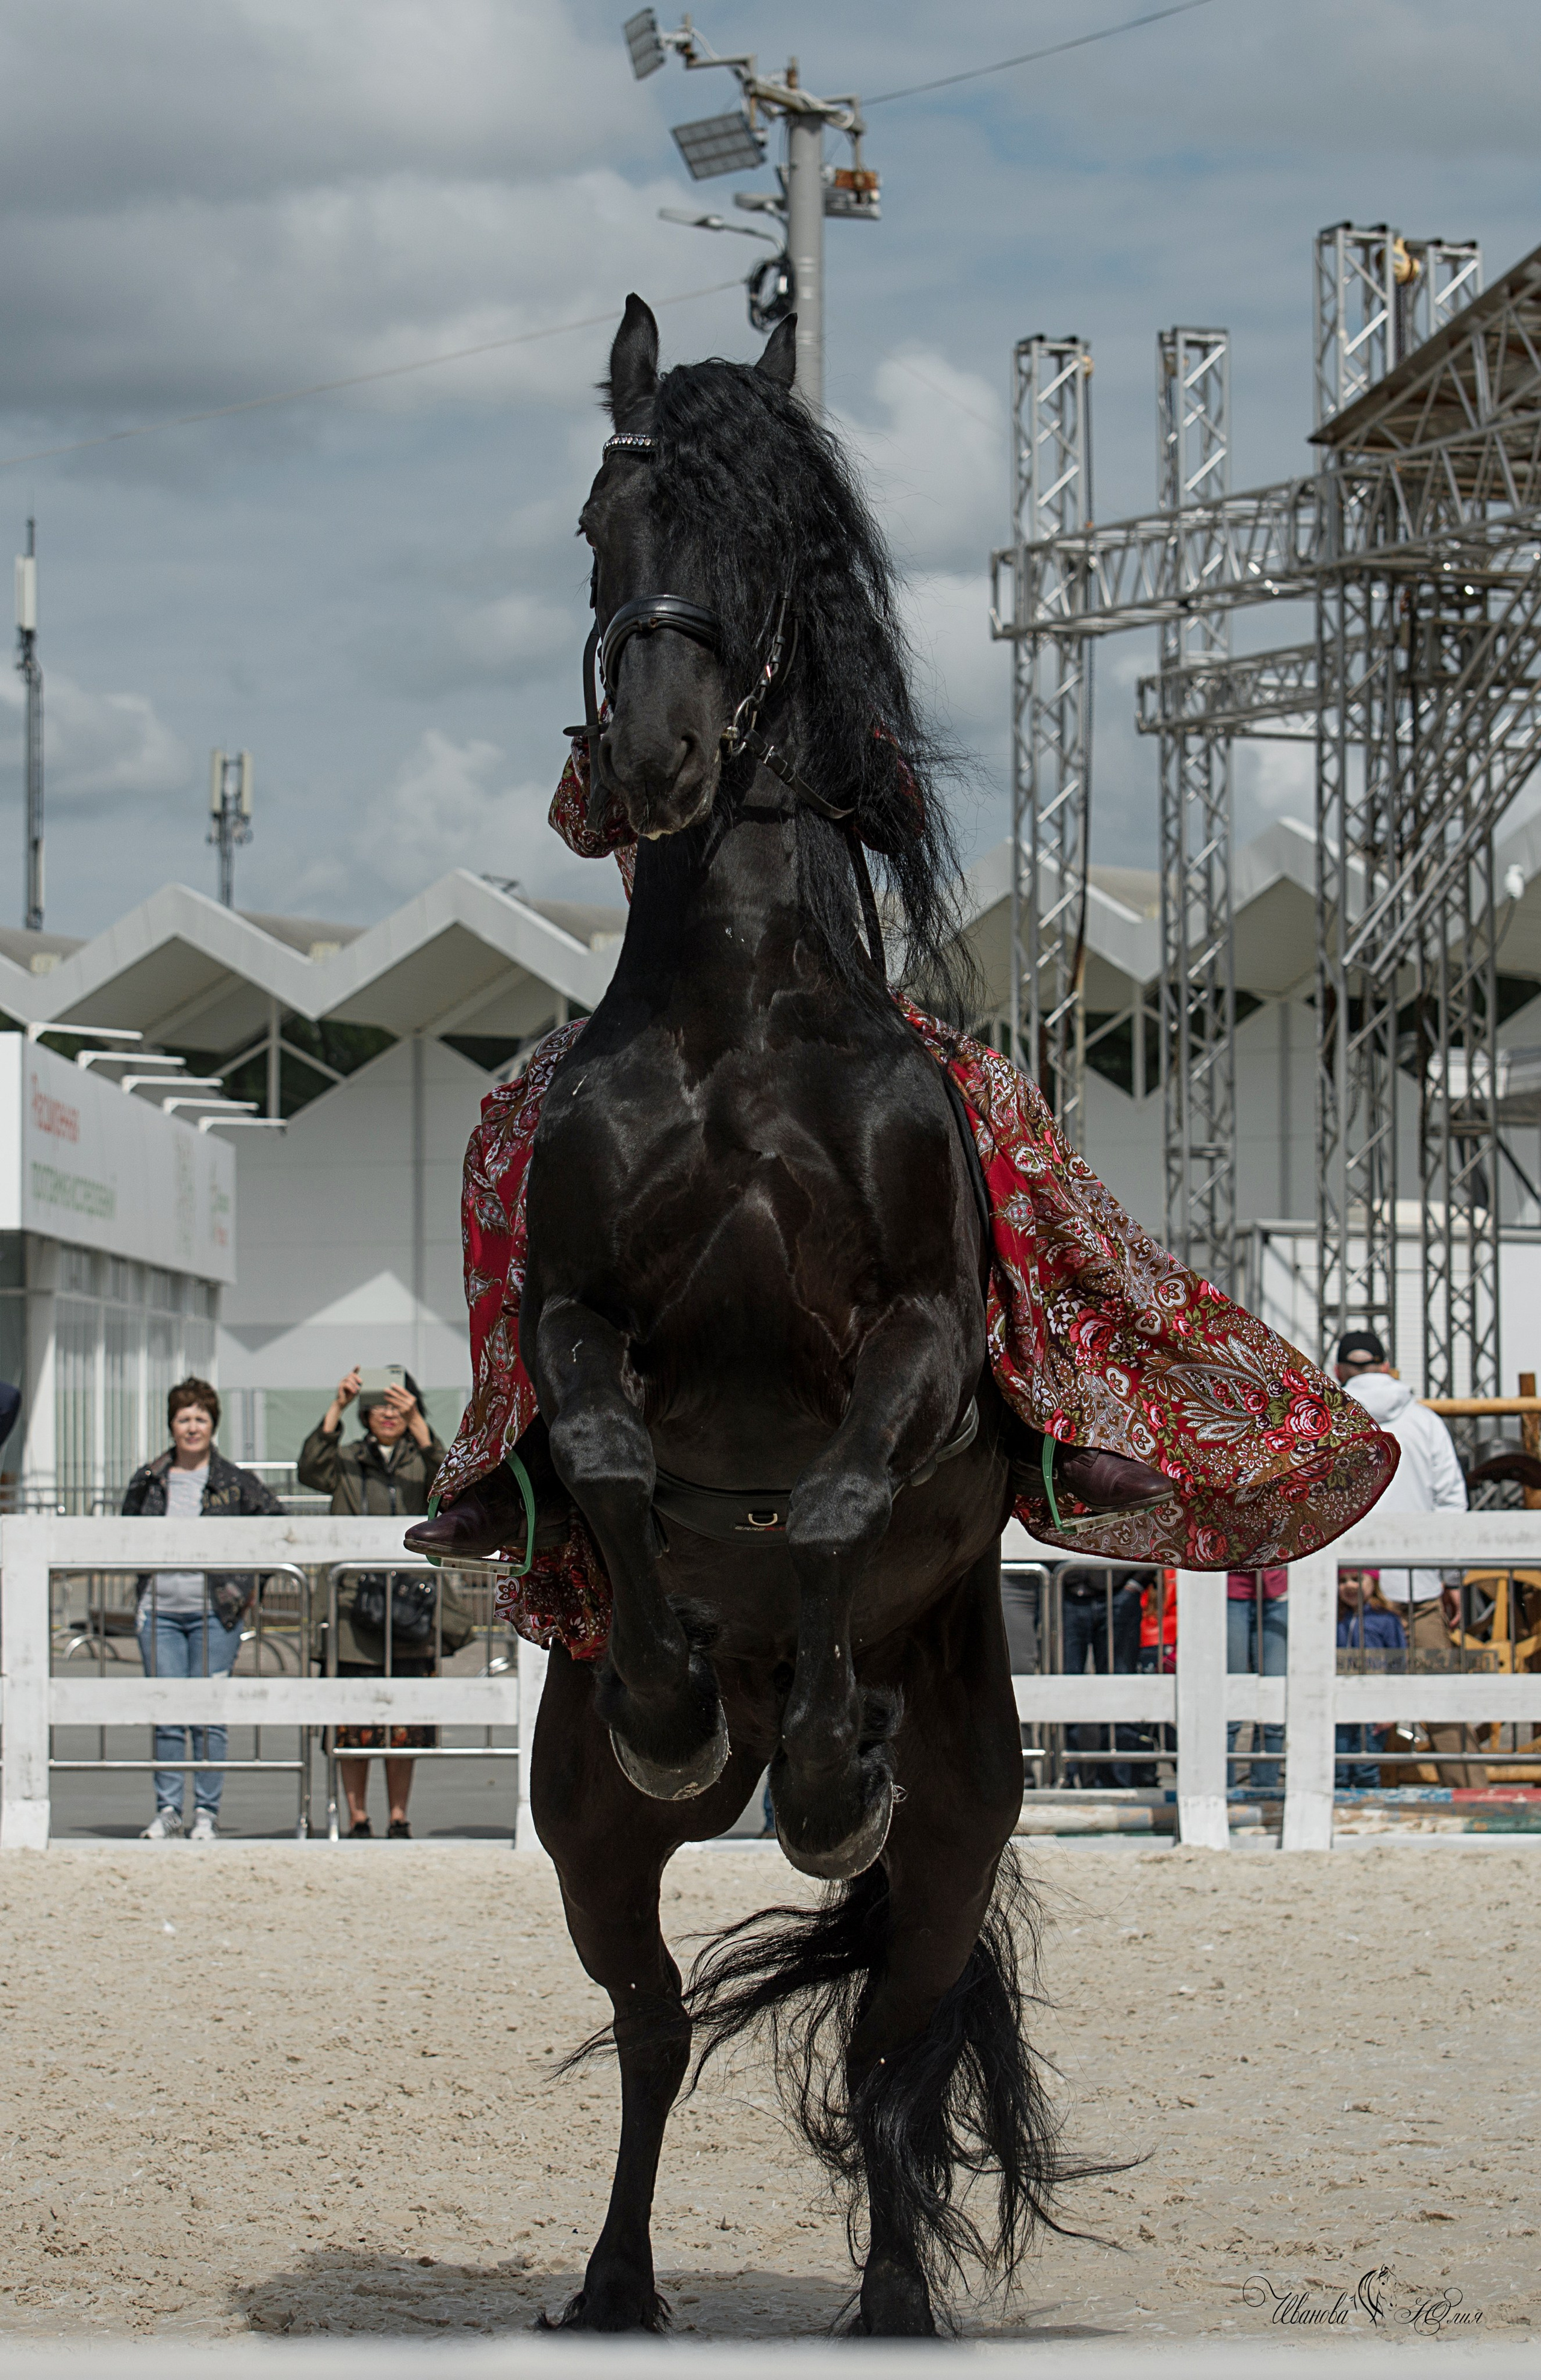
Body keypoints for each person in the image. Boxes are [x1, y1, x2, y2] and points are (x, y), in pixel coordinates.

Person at [297, 1369, 471, 1839]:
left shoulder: (423, 1457)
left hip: (413, 1606)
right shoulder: (348, 1459)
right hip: (353, 1607)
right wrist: (335, 1407)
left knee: (405, 1721)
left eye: (399, 1405)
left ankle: (399, 1815)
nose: (389, 1415)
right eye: (380, 1406)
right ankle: (356, 1816)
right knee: (353, 1720)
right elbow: (312, 1470)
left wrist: (420, 1426)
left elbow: (454, 1482)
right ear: (364, 1413)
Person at [122, 1378, 282, 1841]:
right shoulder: (149, 1478)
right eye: (183, 1419)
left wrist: (252, 1585)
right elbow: (123, 1531)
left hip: (217, 1612)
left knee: (208, 1713)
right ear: (171, 1425)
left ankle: (207, 1811)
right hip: (161, 1611)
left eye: (200, 1419)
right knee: (167, 1712)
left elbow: (275, 1523)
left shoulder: (235, 1481)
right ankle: (169, 1808)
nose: (192, 1427)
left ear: (213, 1425)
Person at [1335, 1329, 1482, 1787]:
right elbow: (1451, 1502)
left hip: (1350, 1589)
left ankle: (1353, 1797)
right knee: (1439, 1702)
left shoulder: (1332, 1422)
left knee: (1351, 1706)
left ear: (1339, 1369)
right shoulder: (1423, 1420)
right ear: (1386, 1365)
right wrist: (1451, 1579)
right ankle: (1472, 1793)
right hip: (1417, 1584)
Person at [1058, 1564, 1145, 1788]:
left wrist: (1137, 1583)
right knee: (1063, 1687)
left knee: (1121, 1686)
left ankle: (1118, 1777)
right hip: (1065, 1593)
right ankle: (1068, 1774)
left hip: (1119, 1594)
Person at [1335, 1567, 1406, 1789]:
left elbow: (1398, 1665)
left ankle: (1367, 1812)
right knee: (1338, 1767)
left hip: (1374, 1705)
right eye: (1342, 1580)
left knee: (1366, 1767)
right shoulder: (1332, 1618)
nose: (1349, 1586)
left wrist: (1391, 1708)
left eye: (1357, 1579)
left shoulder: (1386, 1620)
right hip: (1339, 1704)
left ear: (1373, 1582)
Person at [1226, 1564, 1289, 1793]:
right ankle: (1223, 1790)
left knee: (1274, 1700)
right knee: (1229, 1702)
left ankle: (1265, 1790)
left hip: (1278, 1591)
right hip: (1228, 1589)